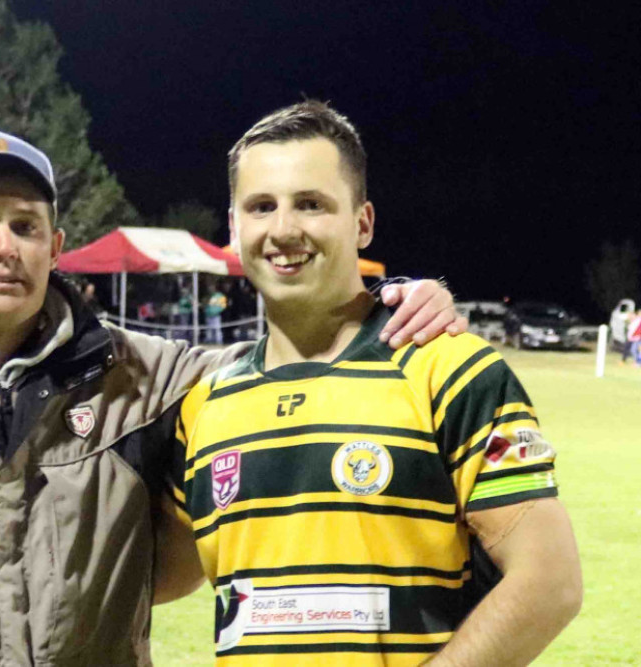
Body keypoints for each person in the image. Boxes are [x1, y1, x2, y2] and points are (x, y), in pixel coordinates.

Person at [0, 129, 464, 665]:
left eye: (24, 226)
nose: (3, 245)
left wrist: (380, 304)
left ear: (55, 243)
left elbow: (283, 366)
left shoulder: (145, 378)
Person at [170, 100, 581, 665]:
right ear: (235, 228)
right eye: (261, 206)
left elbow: (549, 580)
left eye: (311, 204)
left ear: (362, 223)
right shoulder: (205, 404)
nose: (283, 229)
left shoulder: (445, 367)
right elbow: (159, 574)